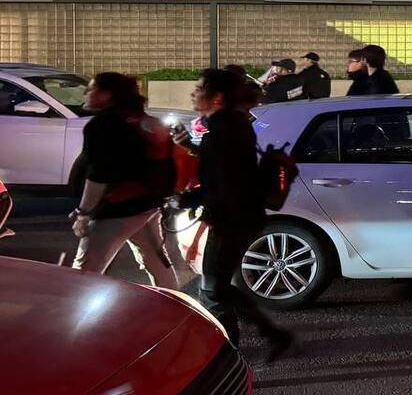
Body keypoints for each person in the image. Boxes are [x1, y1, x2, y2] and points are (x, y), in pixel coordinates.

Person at [175, 68, 293, 361]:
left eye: (199, 88)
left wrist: (186, 199)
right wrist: (190, 146)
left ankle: (229, 353)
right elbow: (226, 168)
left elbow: (226, 183)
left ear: (216, 98)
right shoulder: (231, 126)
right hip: (242, 215)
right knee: (218, 285)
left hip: (232, 219)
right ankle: (270, 335)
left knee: (212, 290)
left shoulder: (224, 130)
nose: (193, 93)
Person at [70, 72, 178, 289]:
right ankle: (177, 307)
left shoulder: (103, 125)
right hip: (147, 205)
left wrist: (84, 213)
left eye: (91, 89)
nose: (86, 93)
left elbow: (99, 175)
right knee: (156, 260)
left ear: (107, 95)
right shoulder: (140, 120)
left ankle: (68, 318)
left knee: (85, 270)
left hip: (117, 209)